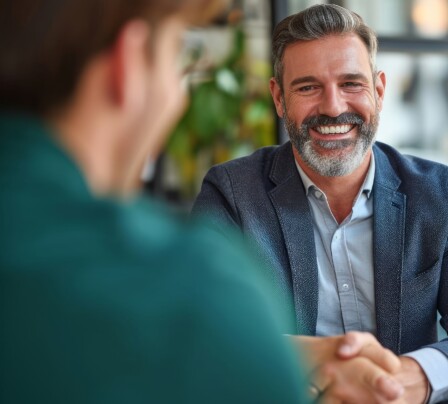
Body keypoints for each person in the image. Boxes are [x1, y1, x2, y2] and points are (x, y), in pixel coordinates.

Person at [0, 1, 395, 402]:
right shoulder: (184, 285)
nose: (178, 101)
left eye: (351, 83)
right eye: (177, 57)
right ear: (129, 62)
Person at [192, 4, 448, 403]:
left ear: (379, 91)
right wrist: (327, 362)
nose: (333, 107)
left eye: (351, 84)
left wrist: (408, 377)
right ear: (278, 98)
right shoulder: (231, 195)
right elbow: (203, 333)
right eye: (308, 87)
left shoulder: (439, 193)